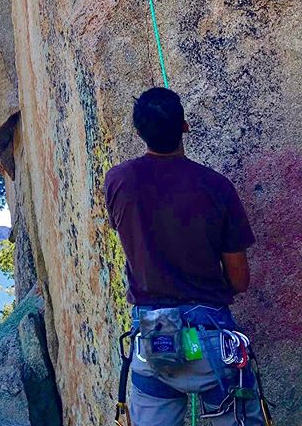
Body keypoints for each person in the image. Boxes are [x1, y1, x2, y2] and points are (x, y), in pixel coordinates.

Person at [104, 87, 267, 426]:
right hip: (212, 338)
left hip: (152, 340)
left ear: (138, 132)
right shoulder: (217, 187)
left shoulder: (119, 181)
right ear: (185, 127)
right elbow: (239, 279)